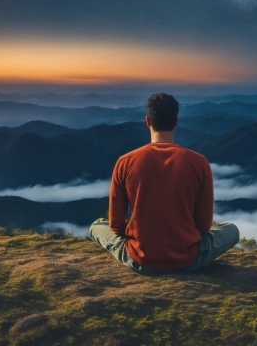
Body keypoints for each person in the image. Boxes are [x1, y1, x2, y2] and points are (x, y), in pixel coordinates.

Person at [89, 92, 239, 275]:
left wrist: (141, 229)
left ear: (148, 121)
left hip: (139, 259)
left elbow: (115, 225)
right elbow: (204, 226)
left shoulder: (125, 162)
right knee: (231, 229)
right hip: (188, 259)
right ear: (176, 121)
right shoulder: (199, 163)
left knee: (97, 225)